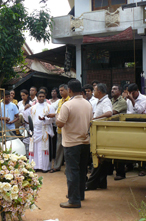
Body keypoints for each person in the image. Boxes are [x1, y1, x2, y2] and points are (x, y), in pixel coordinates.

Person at [57, 79, 93, 208]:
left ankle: (73, 200)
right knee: (82, 170)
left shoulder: (68, 105)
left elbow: (60, 123)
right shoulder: (88, 104)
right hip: (85, 141)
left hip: (71, 143)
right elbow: (91, 120)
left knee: (72, 171)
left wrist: (56, 118)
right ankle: (79, 195)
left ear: (70, 90)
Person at [86, 83, 112, 191]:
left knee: (97, 158)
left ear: (99, 92)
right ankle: (102, 182)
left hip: (100, 133)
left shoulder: (106, 101)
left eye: (94, 90)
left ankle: (91, 183)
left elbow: (109, 113)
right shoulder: (101, 100)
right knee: (101, 159)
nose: (93, 92)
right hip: (99, 132)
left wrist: (95, 118)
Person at [26, 91, 55, 172]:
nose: (41, 98)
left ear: (45, 97)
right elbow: (30, 119)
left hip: (44, 130)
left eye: (43, 96)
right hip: (35, 131)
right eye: (40, 96)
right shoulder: (33, 107)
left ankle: (44, 167)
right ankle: (35, 166)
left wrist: (45, 119)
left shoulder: (50, 107)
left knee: (43, 149)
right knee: (34, 149)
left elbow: (53, 119)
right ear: (37, 97)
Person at [48, 84, 70, 173]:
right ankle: (57, 166)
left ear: (67, 90)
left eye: (62, 90)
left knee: (67, 149)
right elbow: (57, 113)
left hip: (67, 129)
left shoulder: (70, 101)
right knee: (59, 148)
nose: (61, 92)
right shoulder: (60, 101)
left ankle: (68, 168)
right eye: (60, 90)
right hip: (59, 129)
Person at [111, 85, 127, 181]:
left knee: (118, 153)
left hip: (119, 129)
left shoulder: (122, 102)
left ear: (120, 91)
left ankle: (121, 173)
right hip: (112, 128)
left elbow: (112, 112)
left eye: (115, 89)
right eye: (112, 89)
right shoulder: (111, 100)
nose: (112, 90)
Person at [18, 89, 33, 156]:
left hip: (29, 124)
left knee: (30, 140)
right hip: (21, 124)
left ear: (27, 95)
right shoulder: (19, 103)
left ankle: (30, 155)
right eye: (21, 96)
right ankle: (25, 155)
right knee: (23, 140)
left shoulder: (31, 103)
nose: (22, 97)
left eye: (24, 95)